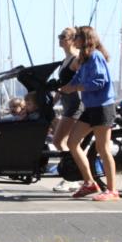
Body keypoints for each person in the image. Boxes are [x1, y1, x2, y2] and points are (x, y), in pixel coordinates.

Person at [60, 25, 118, 201]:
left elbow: (100, 81)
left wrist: (76, 87)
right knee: (72, 142)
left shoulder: (95, 56)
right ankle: (89, 183)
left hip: (102, 107)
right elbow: (77, 78)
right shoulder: (84, 59)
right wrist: (66, 87)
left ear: (84, 40)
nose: (74, 40)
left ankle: (112, 191)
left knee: (103, 149)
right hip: (90, 107)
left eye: (76, 37)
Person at [49, 27, 83, 192]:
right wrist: (52, 101)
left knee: (62, 142)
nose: (60, 39)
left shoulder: (76, 59)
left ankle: (72, 178)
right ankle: (74, 176)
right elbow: (61, 86)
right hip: (68, 105)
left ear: (72, 39)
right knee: (64, 142)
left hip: (76, 105)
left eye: (63, 36)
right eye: (59, 36)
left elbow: (81, 81)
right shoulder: (66, 60)